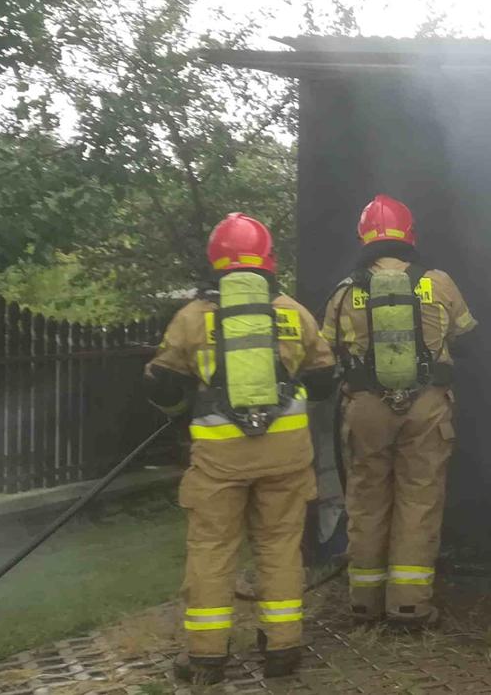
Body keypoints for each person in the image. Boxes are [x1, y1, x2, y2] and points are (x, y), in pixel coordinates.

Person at [142, 212, 338, 683]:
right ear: (268, 261)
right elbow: (326, 380)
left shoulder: (192, 318)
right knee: (280, 546)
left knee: (212, 549)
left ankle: (207, 657)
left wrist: (184, 406)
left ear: (216, 261)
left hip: (219, 461)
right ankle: (283, 649)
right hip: (286, 456)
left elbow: (163, 387)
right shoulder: (295, 313)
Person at [322, 194, 476, 629]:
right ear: (410, 234)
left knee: (367, 500)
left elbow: (324, 348)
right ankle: (409, 607)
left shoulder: (346, 290)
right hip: (426, 406)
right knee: (419, 499)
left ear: (363, 237)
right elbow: (466, 334)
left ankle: (364, 603)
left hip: (367, 407)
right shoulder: (438, 281)